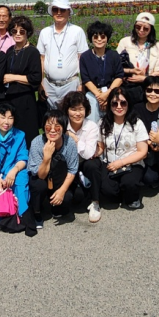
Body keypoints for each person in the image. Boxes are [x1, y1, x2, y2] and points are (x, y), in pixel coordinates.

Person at [80, 91, 148, 216]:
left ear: (128, 104)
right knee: (108, 193)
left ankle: (131, 194)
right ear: (109, 106)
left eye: (123, 103)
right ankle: (120, 190)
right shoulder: (103, 122)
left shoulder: (137, 123)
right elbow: (101, 146)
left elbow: (142, 152)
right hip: (110, 163)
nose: (119, 107)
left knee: (129, 183)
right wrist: (93, 153)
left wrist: (121, 162)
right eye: (114, 103)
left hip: (132, 164)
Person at [27, 109, 79, 228]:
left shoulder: (69, 143)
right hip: (42, 178)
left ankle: (56, 207)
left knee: (69, 197)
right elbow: (40, 176)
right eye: (48, 126)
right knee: (39, 186)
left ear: (63, 128)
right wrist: (46, 158)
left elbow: (72, 170)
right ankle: (37, 212)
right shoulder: (36, 142)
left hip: (59, 178)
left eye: (57, 127)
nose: (52, 130)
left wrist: (62, 191)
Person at [36, 0, 88, 108]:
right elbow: (41, 59)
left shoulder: (77, 31)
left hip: (70, 84)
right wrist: (41, 83)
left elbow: (82, 58)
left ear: (69, 12)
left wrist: (82, 83)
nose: (59, 13)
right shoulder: (45, 32)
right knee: (51, 120)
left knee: (71, 116)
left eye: (62, 10)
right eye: (55, 10)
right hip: (49, 84)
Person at [133, 76, 159, 204]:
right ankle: (153, 176)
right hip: (143, 149)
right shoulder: (136, 109)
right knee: (150, 179)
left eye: (157, 91)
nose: (153, 94)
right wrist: (148, 142)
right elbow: (133, 132)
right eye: (149, 90)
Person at [62, 91, 104, 221]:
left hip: (85, 163)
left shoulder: (91, 126)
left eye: (81, 109)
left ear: (86, 110)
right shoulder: (62, 125)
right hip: (68, 164)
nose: (77, 113)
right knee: (75, 198)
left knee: (92, 164)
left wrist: (74, 138)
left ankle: (95, 202)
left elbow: (88, 154)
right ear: (67, 110)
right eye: (73, 109)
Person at [3, 14, 42, 149]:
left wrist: (13, 77)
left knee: (27, 135)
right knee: (11, 135)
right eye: (14, 31)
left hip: (25, 100)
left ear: (28, 33)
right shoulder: (10, 51)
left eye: (22, 31)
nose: (18, 34)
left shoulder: (32, 52)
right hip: (10, 98)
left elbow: (35, 78)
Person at [79, 20, 124, 122]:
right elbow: (86, 79)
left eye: (103, 36)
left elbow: (119, 76)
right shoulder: (85, 57)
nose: (99, 39)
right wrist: (100, 97)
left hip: (111, 91)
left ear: (107, 38)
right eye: (95, 37)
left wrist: (107, 94)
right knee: (91, 105)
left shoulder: (113, 55)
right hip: (93, 94)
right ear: (91, 38)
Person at [116, 11, 159, 106]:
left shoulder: (157, 46)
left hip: (148, 87)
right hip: (128, 86)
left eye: (146, 28)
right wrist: (131, 71)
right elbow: (115, 66)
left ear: (151, 30)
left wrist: (145, 78)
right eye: (138, 27)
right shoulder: (125, 42)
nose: (141, 30)